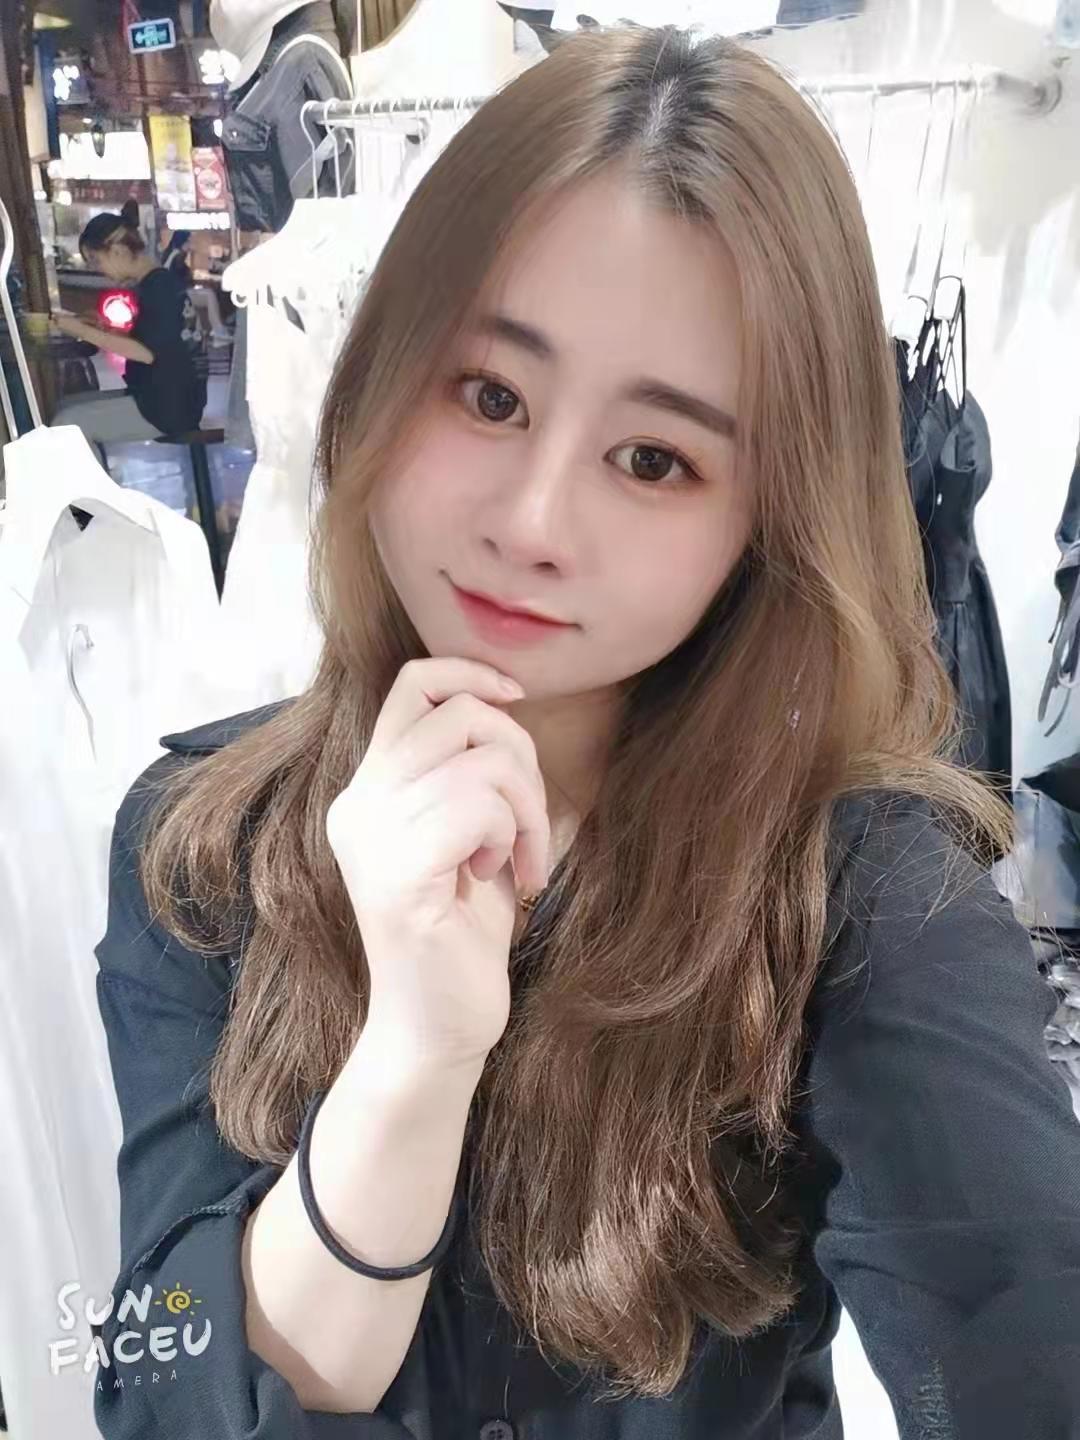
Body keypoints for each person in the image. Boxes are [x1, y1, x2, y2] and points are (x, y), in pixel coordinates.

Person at [90, 25, 1080, 1440]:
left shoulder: (859, 893)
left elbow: (1017, 1328)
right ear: (383, 374)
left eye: (655, 459)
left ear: (766, 522)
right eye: (490, 394)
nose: (534, 521)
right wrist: (412, 1060)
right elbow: (160, 1382)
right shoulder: (201, 845)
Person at [51, 201, 206, 445]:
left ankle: (92, 472)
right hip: (170, 397)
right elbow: (154, 339)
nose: (98, 269)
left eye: (96, 260)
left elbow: (145, 353)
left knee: (66, 424)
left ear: (118, 251)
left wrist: (82, 331)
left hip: (167, 408)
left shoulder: (158, 288)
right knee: (64, 407)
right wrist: (104, 329)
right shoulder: (157, 283)